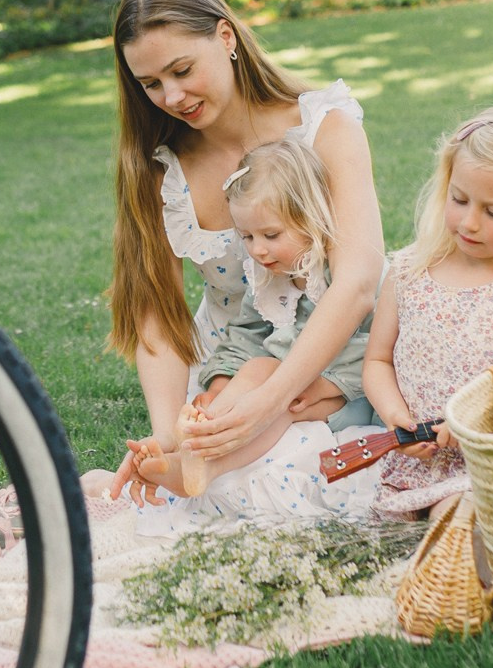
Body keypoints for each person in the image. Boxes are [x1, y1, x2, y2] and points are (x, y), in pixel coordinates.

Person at [103, 0, 384, 501]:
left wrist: (273, 396)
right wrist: (167, 435)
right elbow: (157, 316)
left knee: (277, 481)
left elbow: (358, 284)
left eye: (182, 69)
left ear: (226, 37)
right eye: (150, 84)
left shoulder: (324, 127)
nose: (172, 96)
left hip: (331, 356)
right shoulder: (159, 167)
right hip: (232, 362)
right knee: (192, 472)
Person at [118, 137, 379, 519]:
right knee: (253, 374)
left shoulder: (341, 273)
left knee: (263, 374)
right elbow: (246, 333)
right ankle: (192, 450)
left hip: (349, 395)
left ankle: (204, 464)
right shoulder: (269, 276)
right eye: (247, 237)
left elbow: (379, 346)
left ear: (311, 217)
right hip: (293, 387)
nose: (257, 250)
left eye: (271, 235)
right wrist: (221, 382)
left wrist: (327, 383)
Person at [361, 103, 493, 517]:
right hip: (413, 466)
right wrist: (396, 418)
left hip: (492, 469)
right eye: (459, 199)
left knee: (459, 521)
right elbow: (377, 360)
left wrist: (482, 424)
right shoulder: (409, 271)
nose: (470, 222)